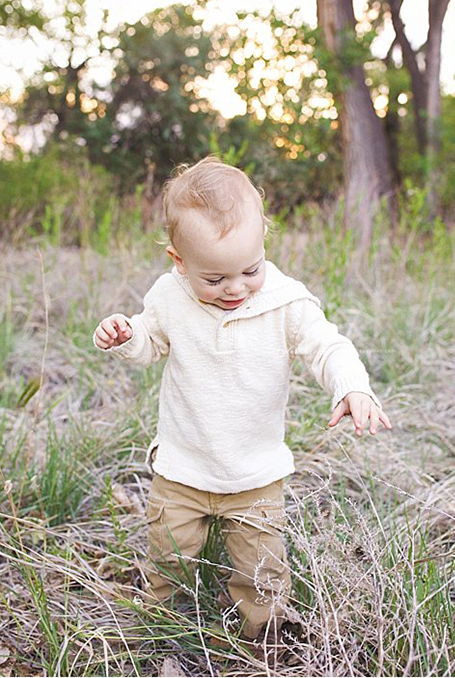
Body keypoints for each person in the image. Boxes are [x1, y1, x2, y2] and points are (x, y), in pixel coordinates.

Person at [93, 157, 393, 644]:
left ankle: (266, 636)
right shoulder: (170, 296)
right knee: (169, 553)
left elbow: (327, 345)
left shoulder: (285, 301)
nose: (234, 288)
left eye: (249, 269)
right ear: (179, 261)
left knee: (263, 570)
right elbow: (148, 342)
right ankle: (160, 621)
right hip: (182, 468)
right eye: (214, 279)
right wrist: (125, 334)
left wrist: (352, 386)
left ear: (263, 246)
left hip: (255, 474)